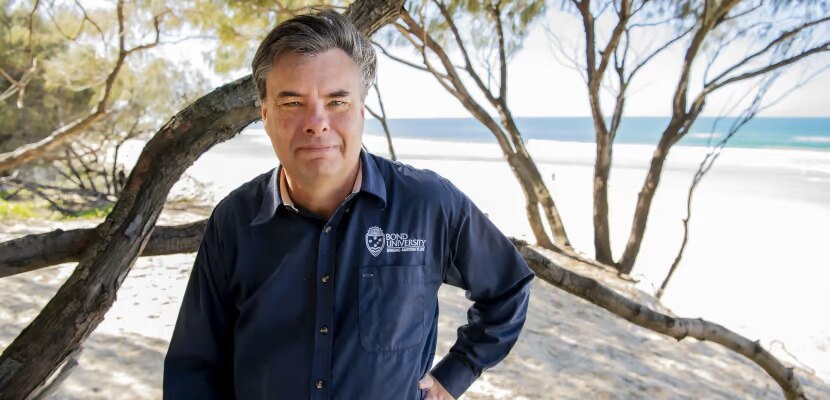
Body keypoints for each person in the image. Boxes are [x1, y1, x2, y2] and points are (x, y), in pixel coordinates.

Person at [163, 9, 534, 400]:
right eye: (292, 104)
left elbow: (508, 286)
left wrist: (456, 373)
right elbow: (195, 366)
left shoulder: (429, 204)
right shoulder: (233, 221)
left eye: (336, 101)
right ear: (266, 115)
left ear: (361, 110)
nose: (316, 122)